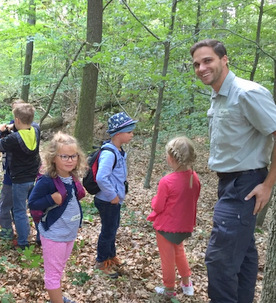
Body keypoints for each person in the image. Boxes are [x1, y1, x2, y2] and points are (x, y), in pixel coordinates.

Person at [190, 39, 276, 303]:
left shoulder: (246, 93)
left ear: (224, 59)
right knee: (245, 255)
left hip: (246, 185)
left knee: (219, 260)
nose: (201, 67)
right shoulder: (218, 96)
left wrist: (268, 185)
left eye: (208, 60)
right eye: (196, 64)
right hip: (228, 183)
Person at [28, 132, 87, 303]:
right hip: (54, 234)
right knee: (53, 274)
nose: (70, 160)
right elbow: (32, 203)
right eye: (64, 156)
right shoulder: (48, 180)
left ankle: (57, 298)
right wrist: (50, 199)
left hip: (69, 233)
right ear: (54, 158)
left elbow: (73, 202)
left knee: (59, 268)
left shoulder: (72, 177)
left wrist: (78, 221)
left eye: (73, 156)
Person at [147, 137, 200, 298]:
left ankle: (169, 289)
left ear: (171, 158)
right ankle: (186, 283)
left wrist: (153, 200)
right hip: (183, 225)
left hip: (166, 226)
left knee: (167, 258)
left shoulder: (167, 181)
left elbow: (158, 206)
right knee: (179, 252)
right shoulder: (193, 177)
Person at [0, 103, 41, 249]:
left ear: (17, 120)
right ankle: (40, 236)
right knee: (35, 207)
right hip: (33, 177)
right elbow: (33, 124)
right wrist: (12, 127)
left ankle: (23, 242)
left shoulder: (14, 139)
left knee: (19, 210)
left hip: (19, 180)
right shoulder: (35, 130)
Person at [93, 112, 137, 278]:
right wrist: (112, 195)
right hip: (107, 200)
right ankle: (101, 261)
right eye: (129, 132)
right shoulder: (109, 153)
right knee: (108, 231)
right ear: (118, 134)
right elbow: (101, 177)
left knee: (112, 228)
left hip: (113, 200)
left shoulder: (118, 150)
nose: (132, 135)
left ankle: (111, 256)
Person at [0, 99, 24, 240]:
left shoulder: (27, 130)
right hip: (19, 174)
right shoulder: (29, 129)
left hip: (14, 175)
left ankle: (8, 235)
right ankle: (21, 236)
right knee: (18, 208)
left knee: (5, 207)